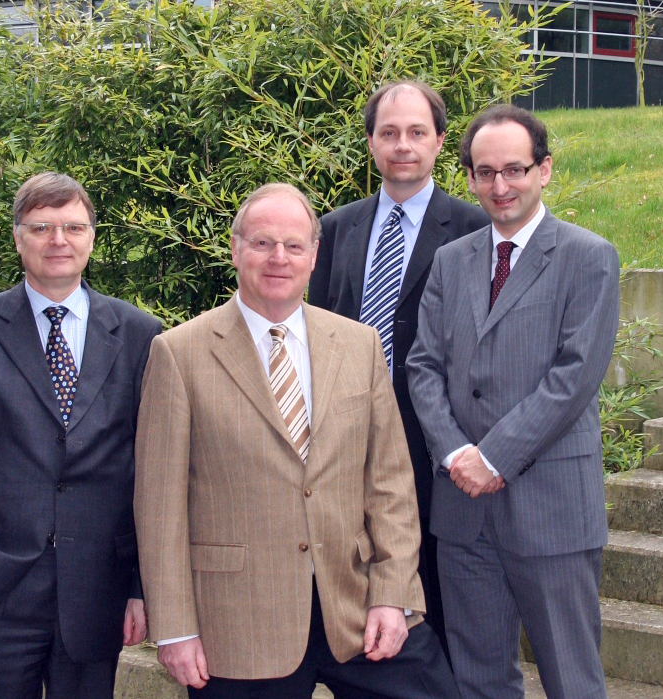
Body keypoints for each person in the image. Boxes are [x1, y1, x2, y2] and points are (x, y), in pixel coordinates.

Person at [134, 183, 459, 699]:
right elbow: (160, 507)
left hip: (356, 607)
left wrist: (393, 593)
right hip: (238, 623)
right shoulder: (179, 353)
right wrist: (175, 628)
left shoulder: (359, 345)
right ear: (235, 249)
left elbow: (391, 484)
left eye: (293, 245)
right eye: (262, 243)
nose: (278, 258)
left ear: (314, 255)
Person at [0, 172, 162, 699]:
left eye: (73, 227)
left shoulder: (140, 334)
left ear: (92, 237)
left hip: (97, 590)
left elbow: (151, 472)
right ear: (17, 237)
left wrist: (140, 587)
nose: (58, 240)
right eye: (42, 227)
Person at [407, 105, 619, 699]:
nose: (500, 186)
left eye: (514, 170)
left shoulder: (588, 256)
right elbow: (423, 366)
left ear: (543, 170)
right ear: (470, 178)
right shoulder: (451, 261)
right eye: (485, 172)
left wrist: (493, 457)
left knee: (572, 680)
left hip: (551, 511)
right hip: (463, 513)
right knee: (478, 681)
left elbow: (574, 377)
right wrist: (456, 454)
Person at [307, 80, 489, 652]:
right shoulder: (334, 229)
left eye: (416, 132)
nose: (402, 145)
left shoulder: (476, 230)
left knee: (437, 605)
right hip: (345, 442)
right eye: (388, 133)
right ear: (370, 143)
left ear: (439, 141)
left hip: (437, 448)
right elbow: (315, 334)